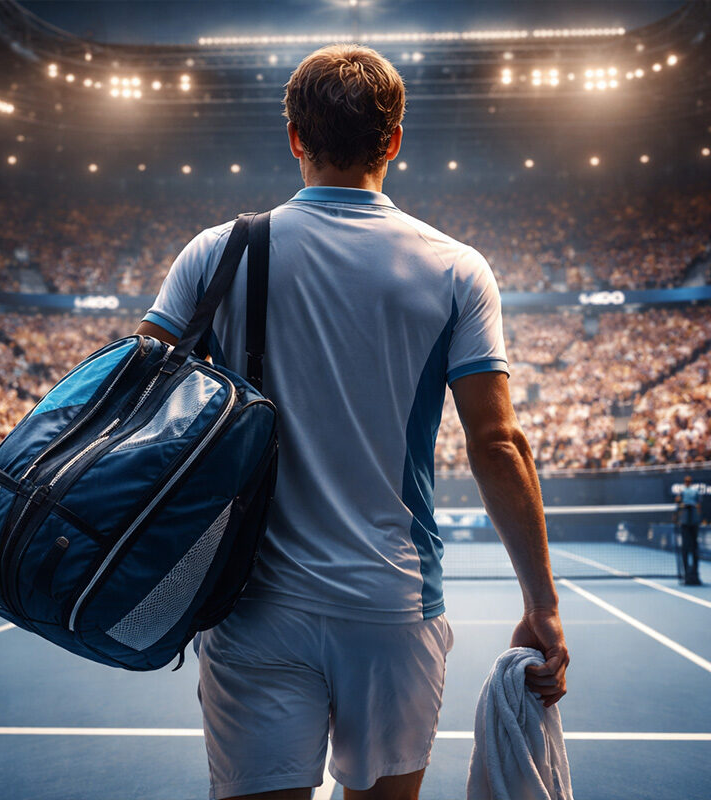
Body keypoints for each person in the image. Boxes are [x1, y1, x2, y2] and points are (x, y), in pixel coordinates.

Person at [137, 44, 568, 800]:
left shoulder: (216, 254)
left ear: (296, 138)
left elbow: (136, 400)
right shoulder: (458, 268)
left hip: (251, 604)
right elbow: (496, 443)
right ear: (395, 140)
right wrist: (542, 606)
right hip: (392, 608)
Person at [675, 474, 702, 585]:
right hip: (688, 521)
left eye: (688, 481)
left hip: (690, 521)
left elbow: (678, 503)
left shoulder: (685, 491)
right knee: (689, 549)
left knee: (691, 549)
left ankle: (692, 573)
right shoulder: (690, 491)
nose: (687, 482)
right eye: (686, 481)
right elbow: (698, 505)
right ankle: (689, 574)